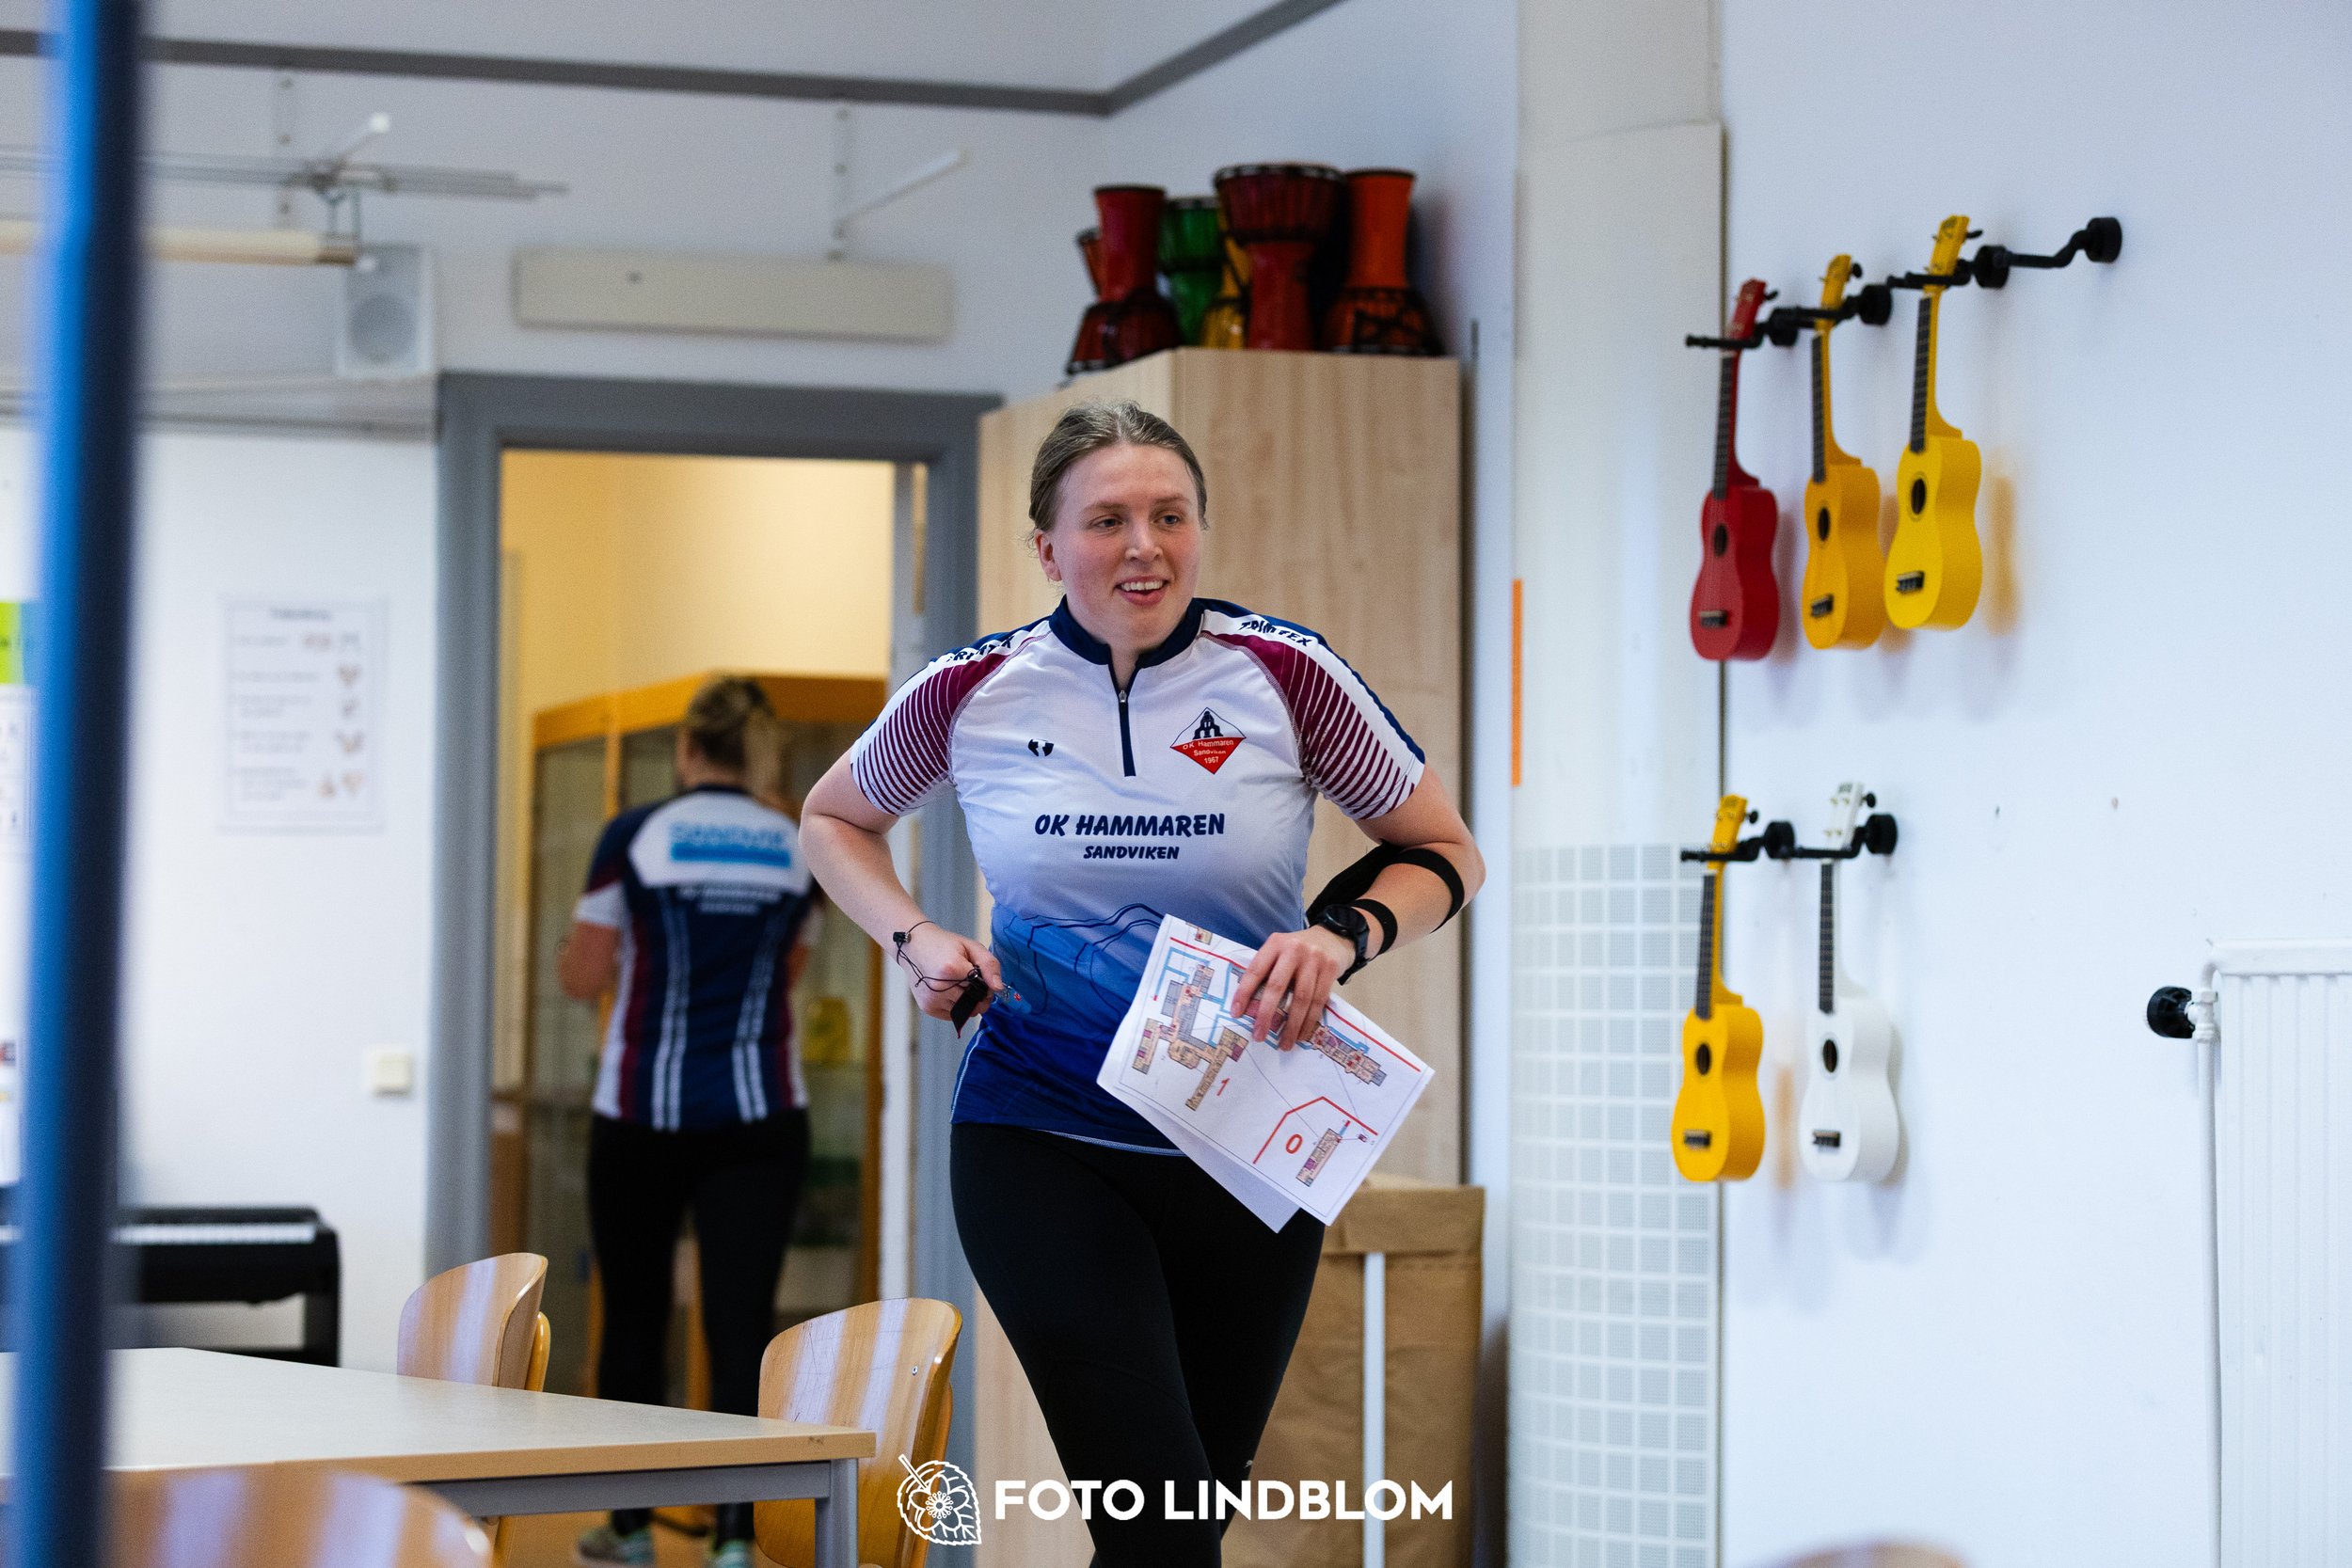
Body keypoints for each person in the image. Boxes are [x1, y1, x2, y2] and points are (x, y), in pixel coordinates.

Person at [801, 399, 1484, 1567]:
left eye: (1170, 516)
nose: (1144, 546)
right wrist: (912, 935)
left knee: (1180, 1530)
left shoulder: (1283, 673)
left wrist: (1340, 935)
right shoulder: (975, 688)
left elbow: (1445, 851)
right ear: (1047, 546)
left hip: (1247, 1144)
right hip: (1040, 1132)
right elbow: (833, 818)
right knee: (1158, 1523)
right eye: (1107, 519)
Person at [559, 676, 823, 1568]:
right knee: (741, 1325)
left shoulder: (634, 835)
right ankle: (736, 1538)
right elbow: (789, 973)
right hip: (760, 1115)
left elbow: (583, 975)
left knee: (634, 1319)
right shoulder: (798, 840)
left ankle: (631, 1525)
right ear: (759, 752)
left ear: (685, 750)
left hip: (641, 1112)